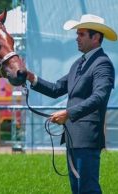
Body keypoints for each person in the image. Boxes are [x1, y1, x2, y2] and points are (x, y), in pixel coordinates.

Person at [26, 14, 116, 194]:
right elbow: (56, 88)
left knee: (87, 189)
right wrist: (31, 78)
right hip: (73, 137)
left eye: (81, 34)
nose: (77, 38)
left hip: (87, 137)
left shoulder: (102, 64)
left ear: (96, 37)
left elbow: (99, 97)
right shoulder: (78, 64)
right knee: (77, 189)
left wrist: (68, 114)